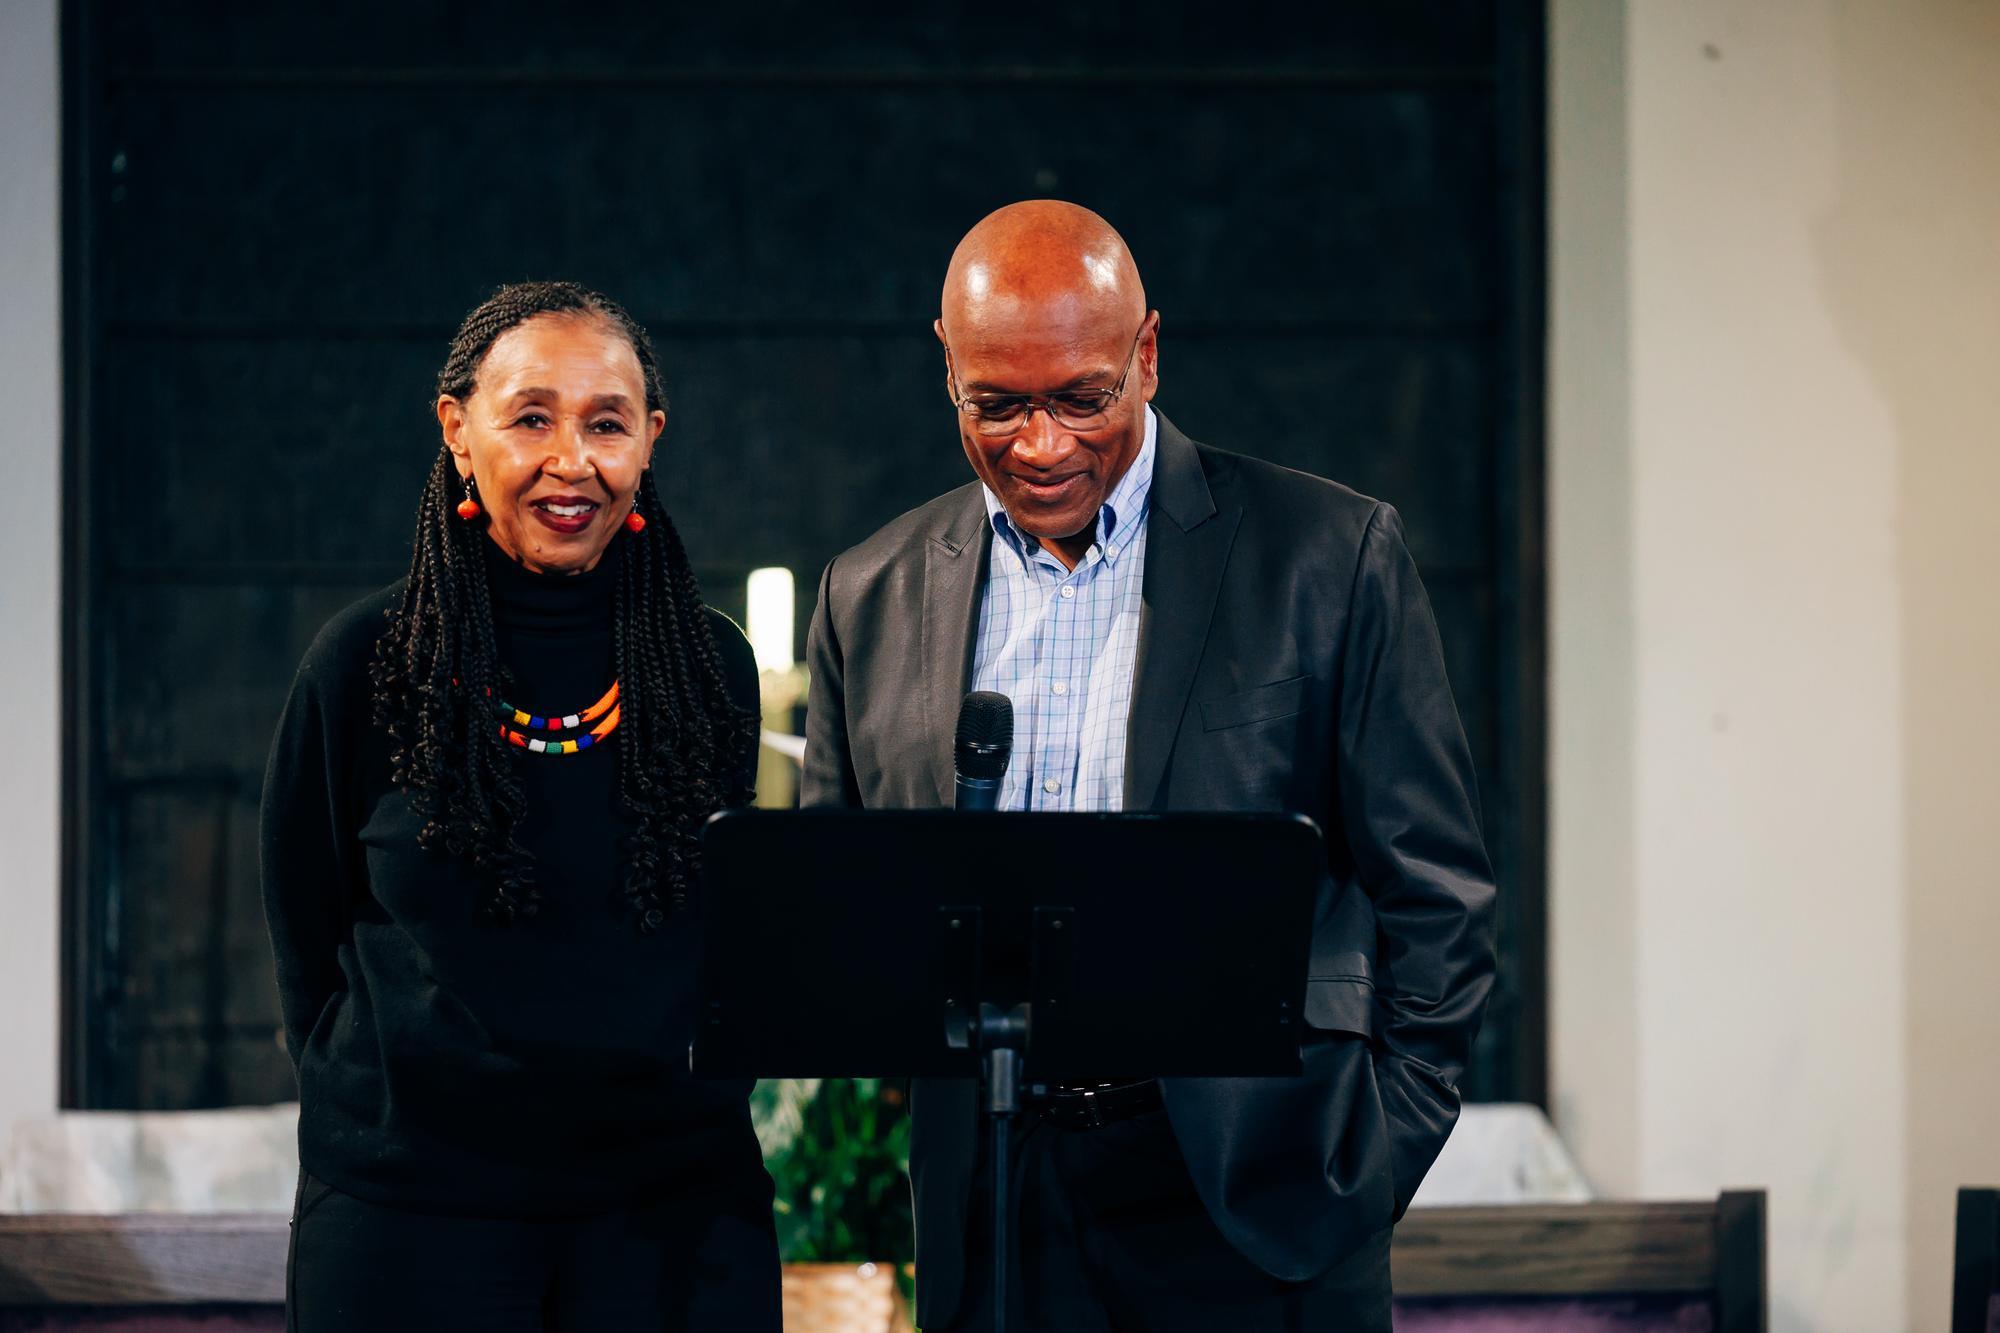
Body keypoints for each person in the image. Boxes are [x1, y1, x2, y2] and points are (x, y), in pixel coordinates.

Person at [801, 202, 1496, 1332]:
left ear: (1149, 355)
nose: (1042, 444)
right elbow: (843, 918)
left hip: (1257, 1194)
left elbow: (1439, 897)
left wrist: (1362, 1168)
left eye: (1082, 397)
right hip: (993, 1201)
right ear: (945, 366)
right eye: (997, 404)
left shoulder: (1327, 556)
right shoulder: (866, 592)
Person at [261, 281, 780, 1331]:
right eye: (531, 417)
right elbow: (304, 928)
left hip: (671, 1215)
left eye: (605, 422)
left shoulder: (709, 667)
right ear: (458, 431)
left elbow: (721, 935)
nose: (570, 459)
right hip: (411, 1218)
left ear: (650, 439)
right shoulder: (365, 664)